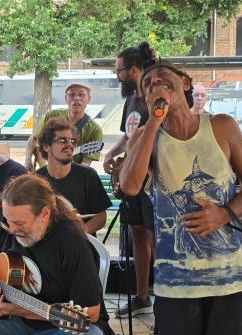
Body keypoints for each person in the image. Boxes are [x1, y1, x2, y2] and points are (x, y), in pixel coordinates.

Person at [118, 59, 242, 334]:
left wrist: (223, 214)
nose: (155, 84)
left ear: (184, 82)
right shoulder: (144, 136)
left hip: (230, 280)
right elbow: (129, 186)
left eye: (162, 77)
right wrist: (153, 122)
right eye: (148, 84)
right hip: (175, 285)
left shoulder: (221, 126)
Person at [0, 174, 108, 335]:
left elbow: (90, 314)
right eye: (8, 220)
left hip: (60, 326)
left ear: (45, 214)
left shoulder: (72, 242)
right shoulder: (6, 218)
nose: (11, 229)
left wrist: (23, 310)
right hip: (14, 320)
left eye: (20, 223)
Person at [102, 42, 156, 317]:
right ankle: (142, 296)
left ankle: (166, 296)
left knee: (156, 236)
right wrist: (112, 154)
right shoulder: (130, 101)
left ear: (134, 70)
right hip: (131, 179)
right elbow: (128, 136)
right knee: (137, 234)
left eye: (119, 71)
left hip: (153, 182)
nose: (118, 76)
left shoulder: (153, 98)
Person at [35, 118, 111, 235]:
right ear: (46, 146)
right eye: (62, 140)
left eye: (72, 140)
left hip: (81, 246)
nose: (69, 144)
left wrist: (81, 232)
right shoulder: (35, 180)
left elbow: (101, 217)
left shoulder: (88, 175)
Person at [24, 83, 102, 171]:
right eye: (72, 95)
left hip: (72, 172)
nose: (76, 98)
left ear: (88, 99)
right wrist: (28, 160)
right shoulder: (53, 115)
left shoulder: (95, 129)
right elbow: (34, 138)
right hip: (47, 169)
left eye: (81, 95)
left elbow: (86, 163)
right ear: (66, 98)